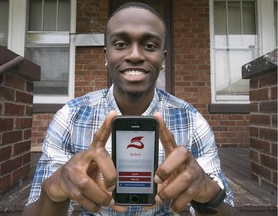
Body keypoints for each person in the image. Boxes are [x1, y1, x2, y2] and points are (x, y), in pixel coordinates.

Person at [22, 2, 238, 216]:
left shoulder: (192, 122)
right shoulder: (70, 117)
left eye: (150, 45)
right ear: (106, 56)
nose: (135, 55)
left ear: (163, 59)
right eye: (120, 44)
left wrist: (208, 194)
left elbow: (228, 211)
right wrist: (54, 190)